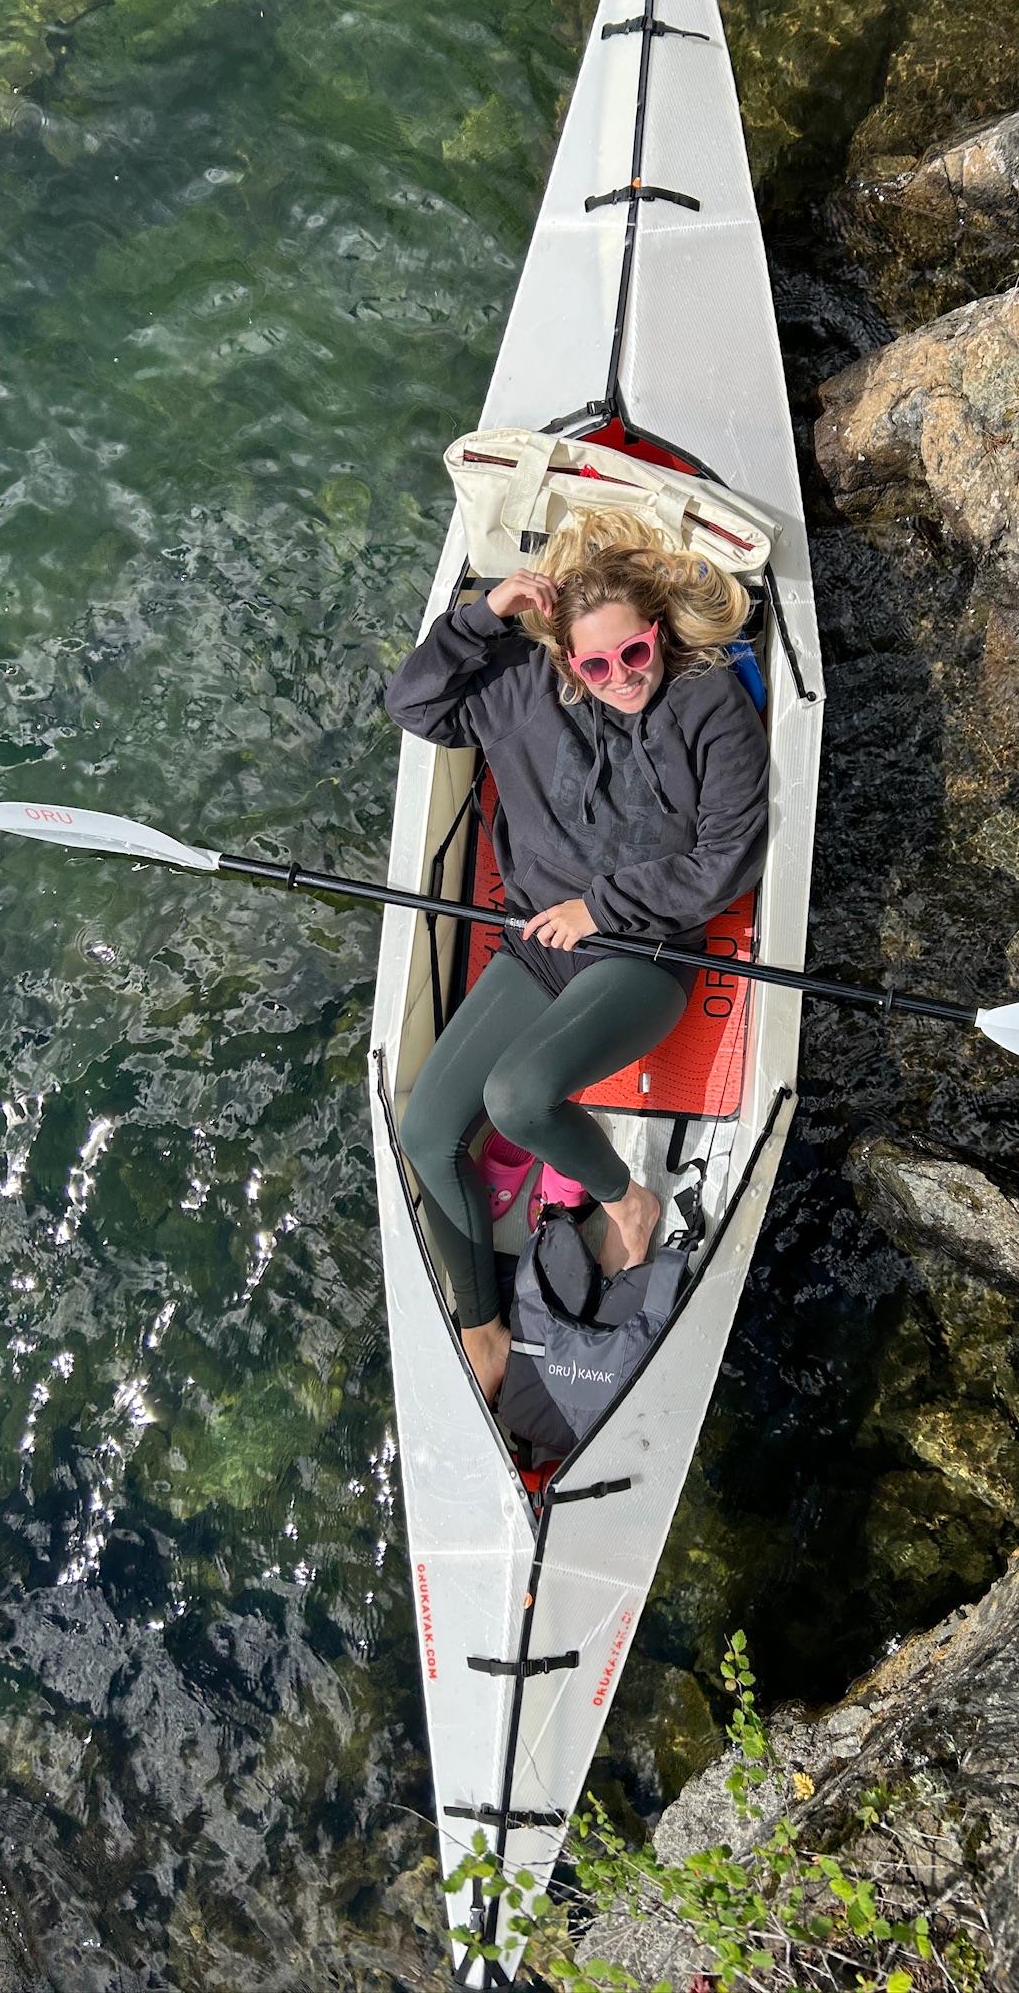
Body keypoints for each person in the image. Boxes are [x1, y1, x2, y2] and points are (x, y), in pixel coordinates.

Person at [387, 509, 770, 1401]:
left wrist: (598, 906)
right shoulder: (523, 685)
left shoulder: (706, 701)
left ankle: (627, 1199)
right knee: (428, 1131)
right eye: (595, 665)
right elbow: (413, 704)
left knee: (517, 1097)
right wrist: (483, 616)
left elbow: (727, 862)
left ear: (656, 633)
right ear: (567, 659)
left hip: (642, 953)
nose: (620, 679)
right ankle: (482, 1332)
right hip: (538, 948)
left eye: (634, 655)